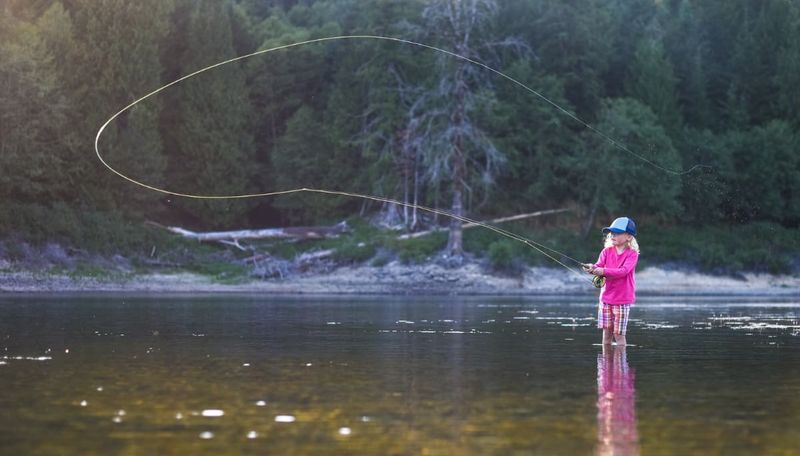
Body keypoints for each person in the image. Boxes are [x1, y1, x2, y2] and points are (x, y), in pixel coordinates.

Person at [582, 217, 639, 346]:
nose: (613, 235)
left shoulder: (632, 254)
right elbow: (598, 266)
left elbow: (623, 271)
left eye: (617, 233)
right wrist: (592, 268)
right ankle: (606, 366)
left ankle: (620, 364)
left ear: (629, 237)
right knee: (606, 334)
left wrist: (603, 271)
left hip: (622, 300)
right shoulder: (606, 252)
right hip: (606, 299)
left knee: (618, 335)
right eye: (611, 232)